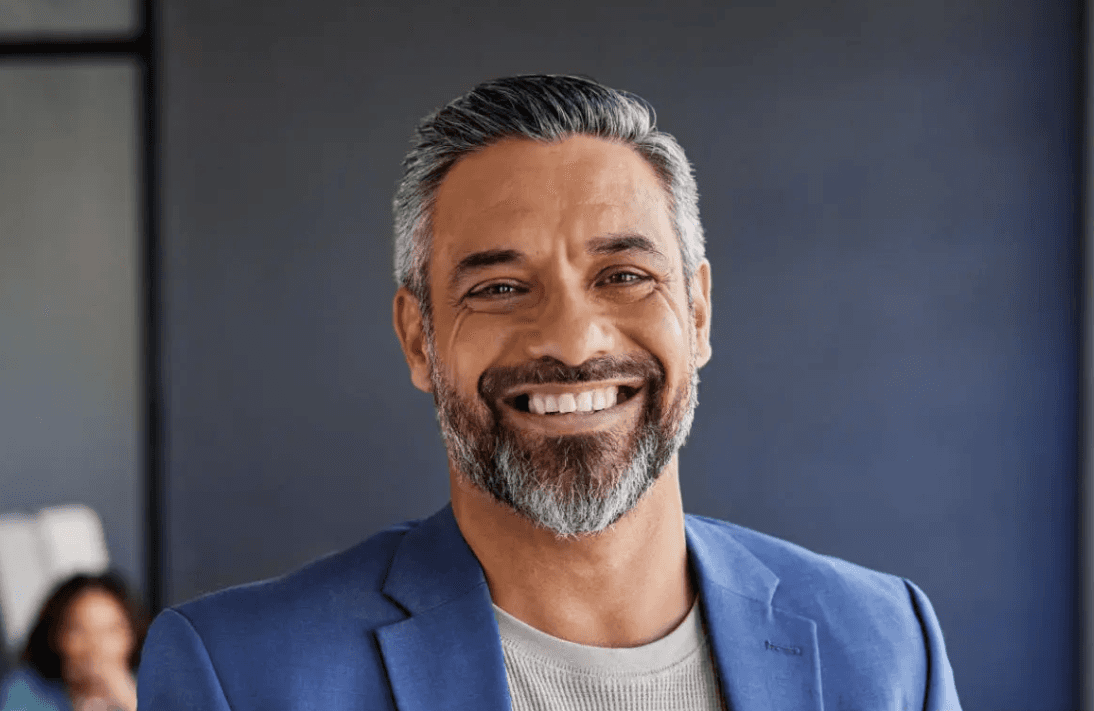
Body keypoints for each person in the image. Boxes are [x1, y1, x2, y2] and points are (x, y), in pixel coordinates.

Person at [138, 74, 962, 710]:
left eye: (624, 276)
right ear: (419, 337)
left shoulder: (886, 643)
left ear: (699, 312)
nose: (572, 340)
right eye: (498, 288)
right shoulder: (242, 677)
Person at [1, 572, 147, 711]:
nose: (95, 646)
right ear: (56, 637)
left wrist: (131, 701)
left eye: (110, 631)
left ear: (133, 637)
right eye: (79, 630)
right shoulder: (23, 692)